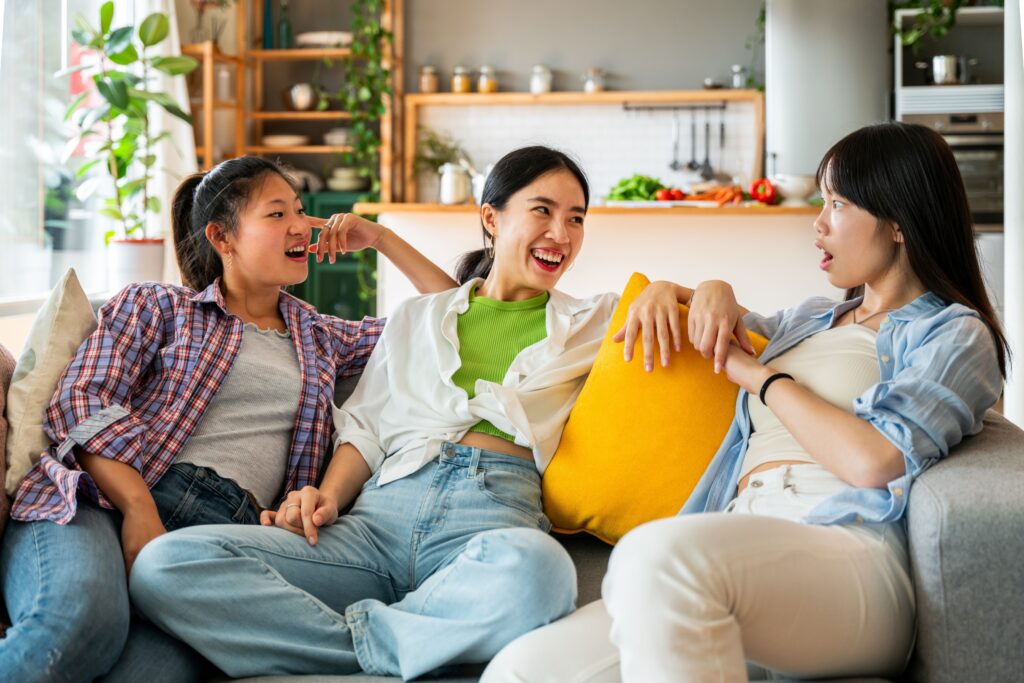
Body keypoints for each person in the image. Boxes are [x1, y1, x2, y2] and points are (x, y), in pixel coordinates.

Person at [127, 146, 696, 681]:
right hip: (373, 525)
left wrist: (680, 288)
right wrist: (325, 495)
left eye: (576, 219)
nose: (561, 234)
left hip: (489, 522)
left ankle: (363, 645)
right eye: (543, 211)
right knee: (164, 565)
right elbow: (368, 428)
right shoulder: (418, 317)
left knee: (542, 571)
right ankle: (414, 639)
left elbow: (758, 329)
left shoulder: (600, 319)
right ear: (491, 219)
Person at [481, 122, 1008, 682]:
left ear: (898, 221)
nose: (819, 223)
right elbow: (722, 319)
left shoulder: (952, 334)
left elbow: (876, 460)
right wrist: (688, 289)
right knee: (520, 668)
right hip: (743, 536)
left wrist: (760, 378)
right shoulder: (808, 320)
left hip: (852, 552)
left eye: (838, 203)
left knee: (657, 557)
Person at [0, 155, 457, 683]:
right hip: (105, 503)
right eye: (276, 213)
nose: (302, 226)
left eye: (302, 211)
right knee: (77, 625)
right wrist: (139, 508)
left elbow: (451, 317)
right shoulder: (158, 306)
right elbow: (82, 400)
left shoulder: (323, 337)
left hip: (213, 545)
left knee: (154, 674)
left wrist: (379, 238)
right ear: (223, 238)